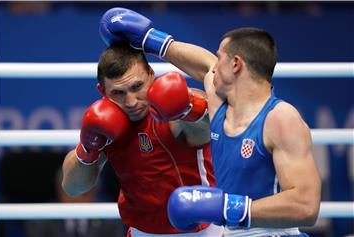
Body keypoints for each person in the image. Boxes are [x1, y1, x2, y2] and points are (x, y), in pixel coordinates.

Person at [99, 7, 322, 237]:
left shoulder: (280, 118)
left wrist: (230, 208)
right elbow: (206, 65)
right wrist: (150, 39)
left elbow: (306, 207)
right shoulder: (219, 107)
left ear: (236, 64)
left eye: (220, 58)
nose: (214, 64)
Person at [61, 37, 223, 236]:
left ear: (151, 75)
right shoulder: (105, 123)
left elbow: (211, 126)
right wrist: (88, 148)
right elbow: (73, 188)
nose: (130, 102)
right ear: (102, 91)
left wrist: (190, 108)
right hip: (140, 232)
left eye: (137, 87)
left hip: (202, 230)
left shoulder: (175, 109)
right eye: (118, 92)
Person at [26, 168, 126, 237]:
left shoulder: (111, 217)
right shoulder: (41, 218)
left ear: (95, 191)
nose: (77, 199)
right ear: (59, 190)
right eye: (72, 193)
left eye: (84, 194)